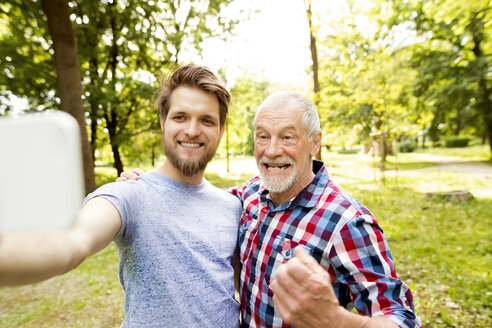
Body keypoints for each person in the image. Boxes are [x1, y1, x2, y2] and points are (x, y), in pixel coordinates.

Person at [120, 91, 422, 328]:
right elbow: (198, 199)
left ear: (314, 142)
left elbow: (402, 318)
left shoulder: (347, 223)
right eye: (263, 136)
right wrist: (149, 185)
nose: (272, 150)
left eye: (287, 137)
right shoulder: (250, 194)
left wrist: (337, 322)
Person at [0, 64, 242, 327]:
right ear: (163, 122)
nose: (193, 130)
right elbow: (74, 242)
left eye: (207, 120)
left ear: (221, 130)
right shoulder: (130, 193)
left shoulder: (232, 206)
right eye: (180, 117)